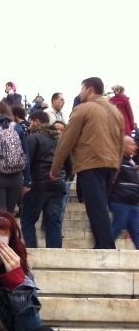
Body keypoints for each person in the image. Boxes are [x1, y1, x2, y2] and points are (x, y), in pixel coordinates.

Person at [51, 77, 125, 249]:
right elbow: (121, 143)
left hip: (91, 164)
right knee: (98, 205)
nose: (80, 93)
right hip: (111, 165)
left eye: (82, 89)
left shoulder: (83, 109)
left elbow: (67, 139)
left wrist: (56, 167)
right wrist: (117, 166)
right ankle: (101, 243)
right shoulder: (115, 112)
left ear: (90, 89)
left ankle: (106, 246)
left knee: (96, 207)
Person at [21, 111, 72, 249]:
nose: (29, 125)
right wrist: (62, 179)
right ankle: (56, 254)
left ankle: (32, 251)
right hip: (58, 186)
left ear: (37, 122)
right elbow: (70, 165)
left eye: (30, 122)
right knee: (53, 223)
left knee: (27, 220)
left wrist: (26, 183)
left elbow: (27, 163)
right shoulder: (60, 140)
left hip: (38, 185)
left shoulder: (33, 138)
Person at [109, 136, 139, 248]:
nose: (135, 147)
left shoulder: (129, 163)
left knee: (137, 232)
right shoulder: (117, 162)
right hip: (120, 203)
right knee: (115, 230)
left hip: (133, 204)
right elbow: (110, 182)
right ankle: (101, 249)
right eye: (132, 144)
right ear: (124, 147)